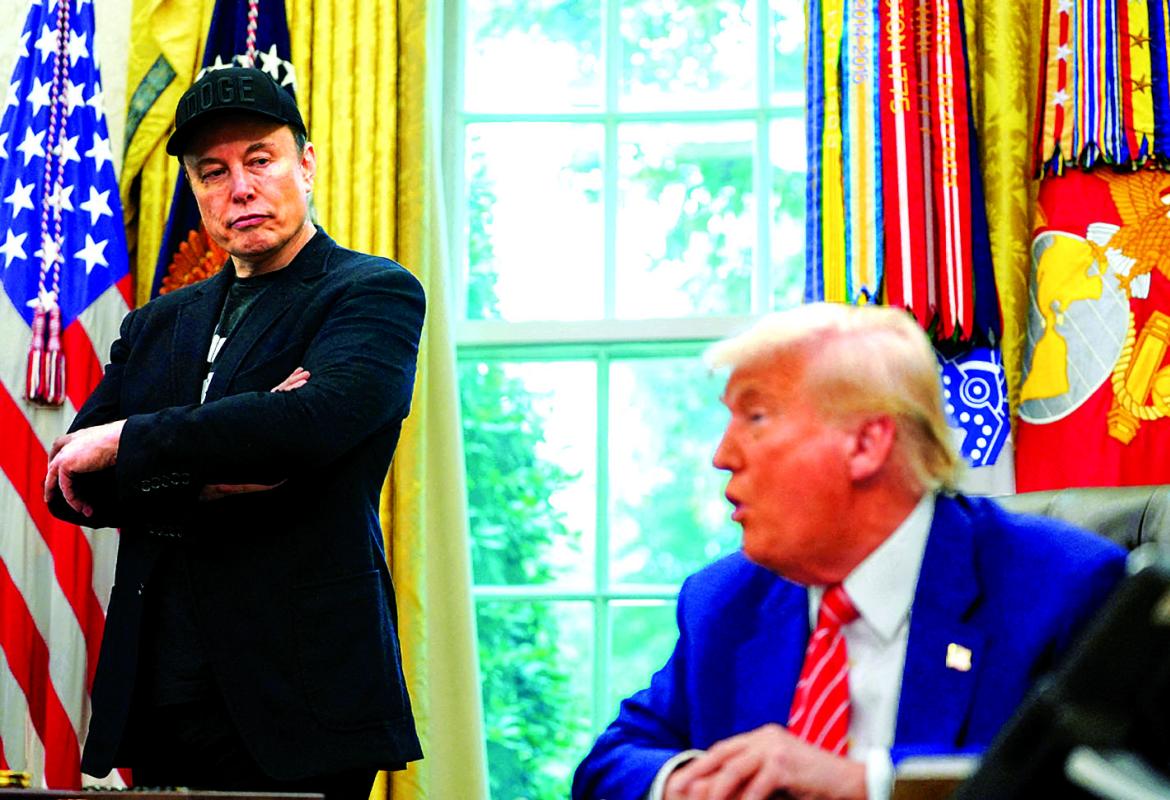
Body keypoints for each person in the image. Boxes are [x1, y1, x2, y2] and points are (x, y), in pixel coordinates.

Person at [43, 66, 424, 799]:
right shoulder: (157, 324)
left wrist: (129, 441)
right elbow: (72, 483)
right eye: (212, 172)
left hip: (302, 695)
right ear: (195, 190)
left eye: (260, 159)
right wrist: (223, 456)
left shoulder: (371, 292)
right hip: (161, 689)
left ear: (305, 164)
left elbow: (309, 425)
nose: (240, 188)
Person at [571, 302, 1128, 800]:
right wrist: (686, 782)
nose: (722, 454)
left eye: (756, 417)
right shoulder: (724, 601)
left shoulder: (1066, 587)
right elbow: (611, 763)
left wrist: (867, 786)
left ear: (865, 444)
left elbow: (1101, 785)